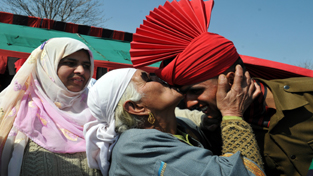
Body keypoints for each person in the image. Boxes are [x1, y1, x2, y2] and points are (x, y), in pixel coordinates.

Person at [129, 0, 313, 175]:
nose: (189, 103)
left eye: (195, 91)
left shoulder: (309, 96)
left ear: (231, 79)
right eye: (184, 94)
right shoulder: (214, 132)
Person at [83, 67, 265, 176]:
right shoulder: (135, 147)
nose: (157, 77)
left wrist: (214, 123)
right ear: (137, 108)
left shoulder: (184, 126)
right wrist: (232, 115)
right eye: (146, 78)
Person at [0, 37, 101, 175]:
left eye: (86, 65)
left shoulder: (99, 115)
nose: (81, 71)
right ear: (47, 65)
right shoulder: (16, 112)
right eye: (70, 63)